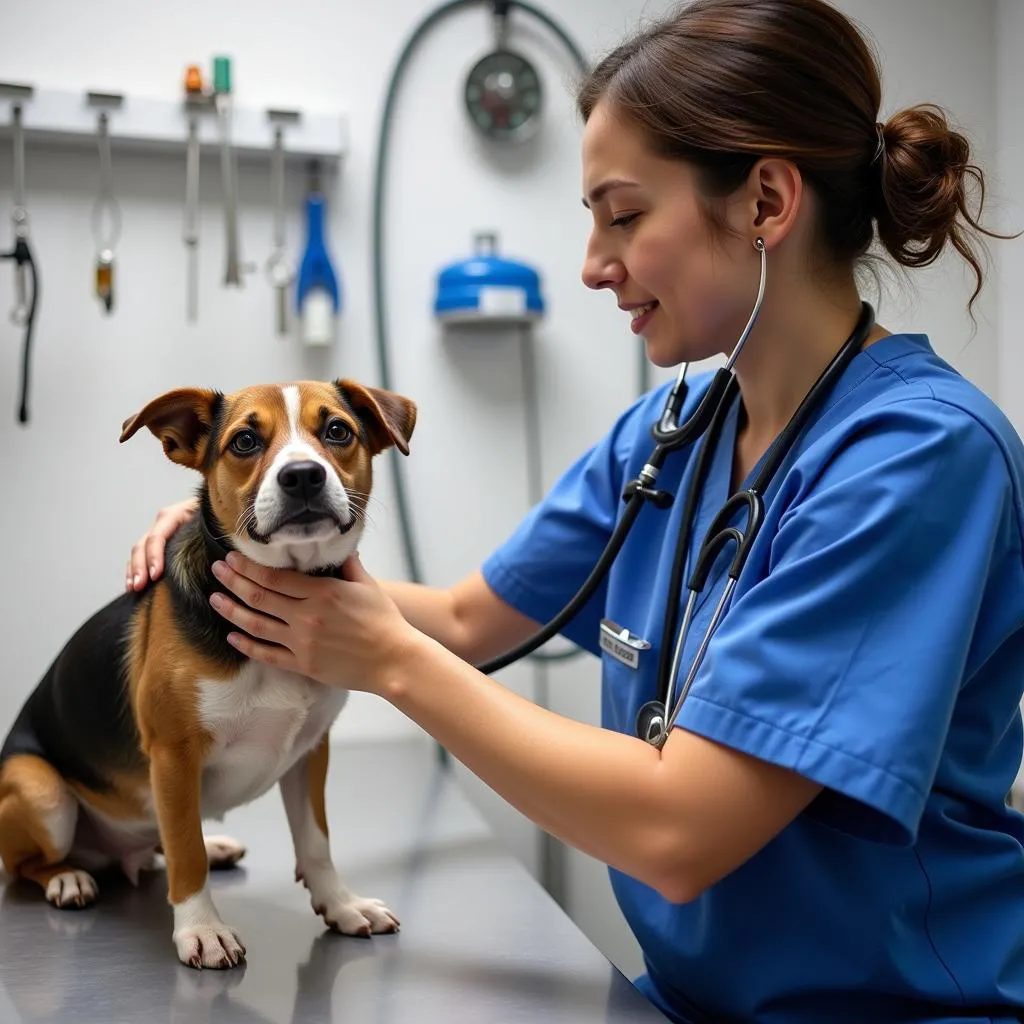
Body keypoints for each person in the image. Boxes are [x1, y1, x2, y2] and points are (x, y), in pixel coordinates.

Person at [126, 0, 1024, 1020]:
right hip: (684, 999)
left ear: (767, 200)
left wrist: (386, 661)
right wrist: (238, 553)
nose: (593, 263)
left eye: (623, 214)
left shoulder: (917, 459)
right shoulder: (668, 435)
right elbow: (465, 622)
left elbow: (679, 830)